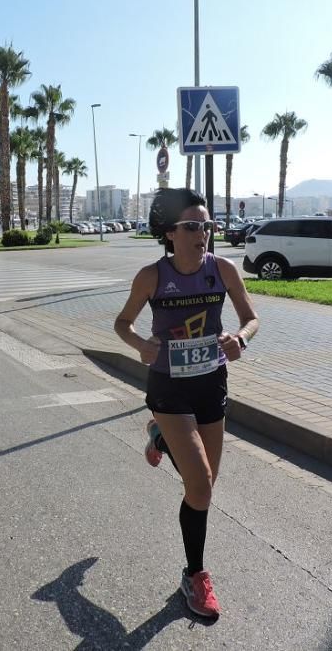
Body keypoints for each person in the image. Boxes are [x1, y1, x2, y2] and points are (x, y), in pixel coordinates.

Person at [113, 188, 259, 620]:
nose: (204, 234)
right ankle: (194, 576)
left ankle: (160, 437)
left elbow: (252, 318)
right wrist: (140, 345)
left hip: (211, 383)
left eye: (208, 225)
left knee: (206, 487)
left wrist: (241, 339)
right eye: (193, 226)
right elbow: (122, 323)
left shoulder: (224, 269)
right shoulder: (151, 276)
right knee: (198, 484)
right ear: (171, 234)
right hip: (169, 390)